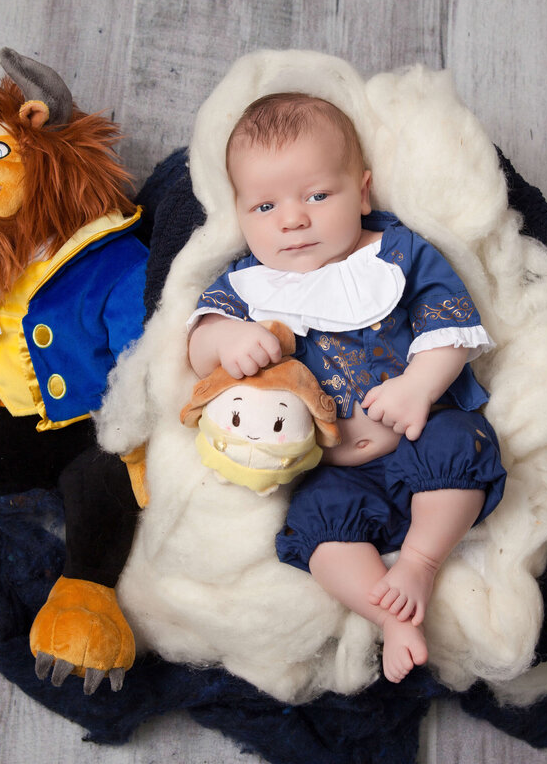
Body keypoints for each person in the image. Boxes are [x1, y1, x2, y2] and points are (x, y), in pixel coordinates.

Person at [187, 93, 506, 683]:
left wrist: (419, 385)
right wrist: (227, 339)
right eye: (264, 206)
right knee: (318, 528)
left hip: (418, 432)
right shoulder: (247, 286)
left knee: (460, 446)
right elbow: (198, 343)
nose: (292, 220)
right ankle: (390, 617)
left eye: (316, 195)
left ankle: (419, 564)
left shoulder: (397, 254)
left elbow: (451, 325)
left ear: (361, 193)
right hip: (334, 470)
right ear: (239, 215)